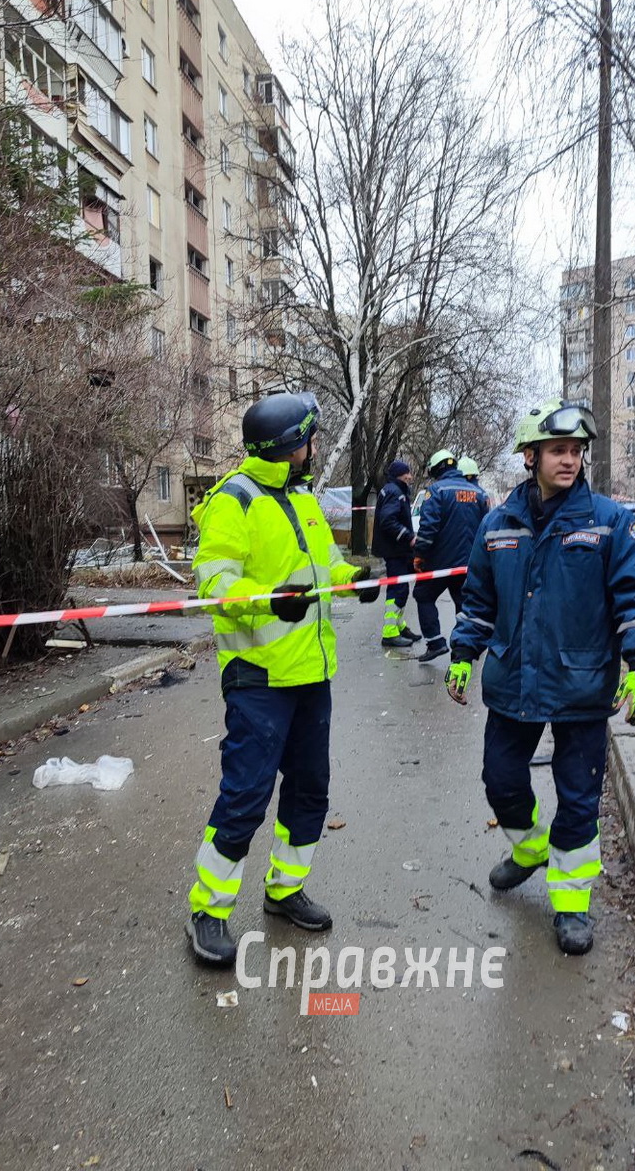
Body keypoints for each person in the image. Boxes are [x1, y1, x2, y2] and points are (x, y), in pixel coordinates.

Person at [445, 399, 635, 956]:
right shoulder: (498, 524)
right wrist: (464, 654)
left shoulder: (610, 522)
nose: (569, 460)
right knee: (500, 778)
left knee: (579, 799)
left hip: (583, 685)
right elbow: (477, 600)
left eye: (575, 451)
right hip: (514, 680)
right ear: (530, 456)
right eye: (557, 451)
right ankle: (527, 849)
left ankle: (571, 905)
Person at [186, 392, 380, 968]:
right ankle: (210, 911)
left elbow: (317, 568)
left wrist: (353, 579)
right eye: (308, 439)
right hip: (259, 678)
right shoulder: (234, 501)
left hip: (311, 676)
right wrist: (268, 602)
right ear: (291, 445)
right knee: (245, 795)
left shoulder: (301, 498)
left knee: (309, 790)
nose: (313, 447)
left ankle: (284, 890)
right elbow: (214, 585)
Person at [413, 449, 490, 662]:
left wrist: (419, 554)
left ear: (437, 469)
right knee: (463, 603)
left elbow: (428, 527)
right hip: (470, 564)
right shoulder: (480, 493)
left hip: (440, 563)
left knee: (423, 595)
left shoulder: (436, 490)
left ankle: (436, 642)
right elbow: (487, 527)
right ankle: (463, 648)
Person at [370, 458, 421, 648]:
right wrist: (409, 537)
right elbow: (388, 521)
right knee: (397, 589)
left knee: (401, 588)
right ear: (400, 474)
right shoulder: (394, 492)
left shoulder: (394, 490)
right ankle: (390, 632)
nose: (410, 476)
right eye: (408, 473)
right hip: (395, 550)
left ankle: (399, 626)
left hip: (397, 550)